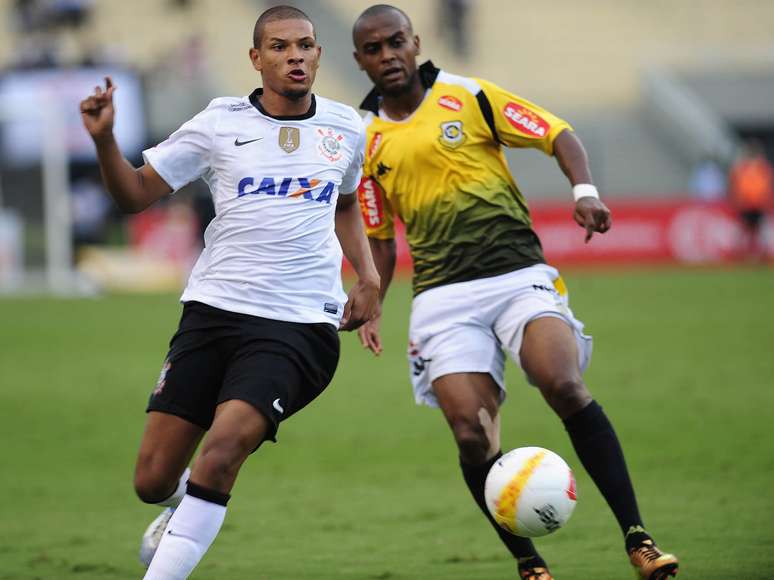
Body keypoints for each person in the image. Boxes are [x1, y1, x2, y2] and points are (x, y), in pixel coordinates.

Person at [351, 5, 678, 579]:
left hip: (517, 276)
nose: (387, 56)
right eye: (373, 49)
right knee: (471, 435)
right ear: (359, 60)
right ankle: (529, 565)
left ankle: (639, 540)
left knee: (563, 383)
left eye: (395, 42)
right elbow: (378, 236)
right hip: (442, 299)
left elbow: (557, 133)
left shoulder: (469, 96)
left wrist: (584, 190)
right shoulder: (365, 141)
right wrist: (370, 295)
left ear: (415, 41)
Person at [80, 6, 379, 579]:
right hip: (213, 314)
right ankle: (186, 508)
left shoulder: (346, 127)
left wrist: (367, 278)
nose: (296, 56)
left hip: (297, 327)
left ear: (318, 54)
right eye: (280, 47)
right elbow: (135, 195)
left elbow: (344, 205)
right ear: (256, 57)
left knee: (221, 454)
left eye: (306, 46)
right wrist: (105, 140)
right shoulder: (218, 122)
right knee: (152, 482)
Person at [728, 140, 773, 260]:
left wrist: (765, 201)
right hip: (746, 204)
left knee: (759, 232)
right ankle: (741, 254)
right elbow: (737, 186)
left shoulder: (763, 168)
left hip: (758, 204)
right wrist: (738, 199)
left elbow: (767, 186)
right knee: (744, 230)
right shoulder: (742, 168)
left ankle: (761, 254)